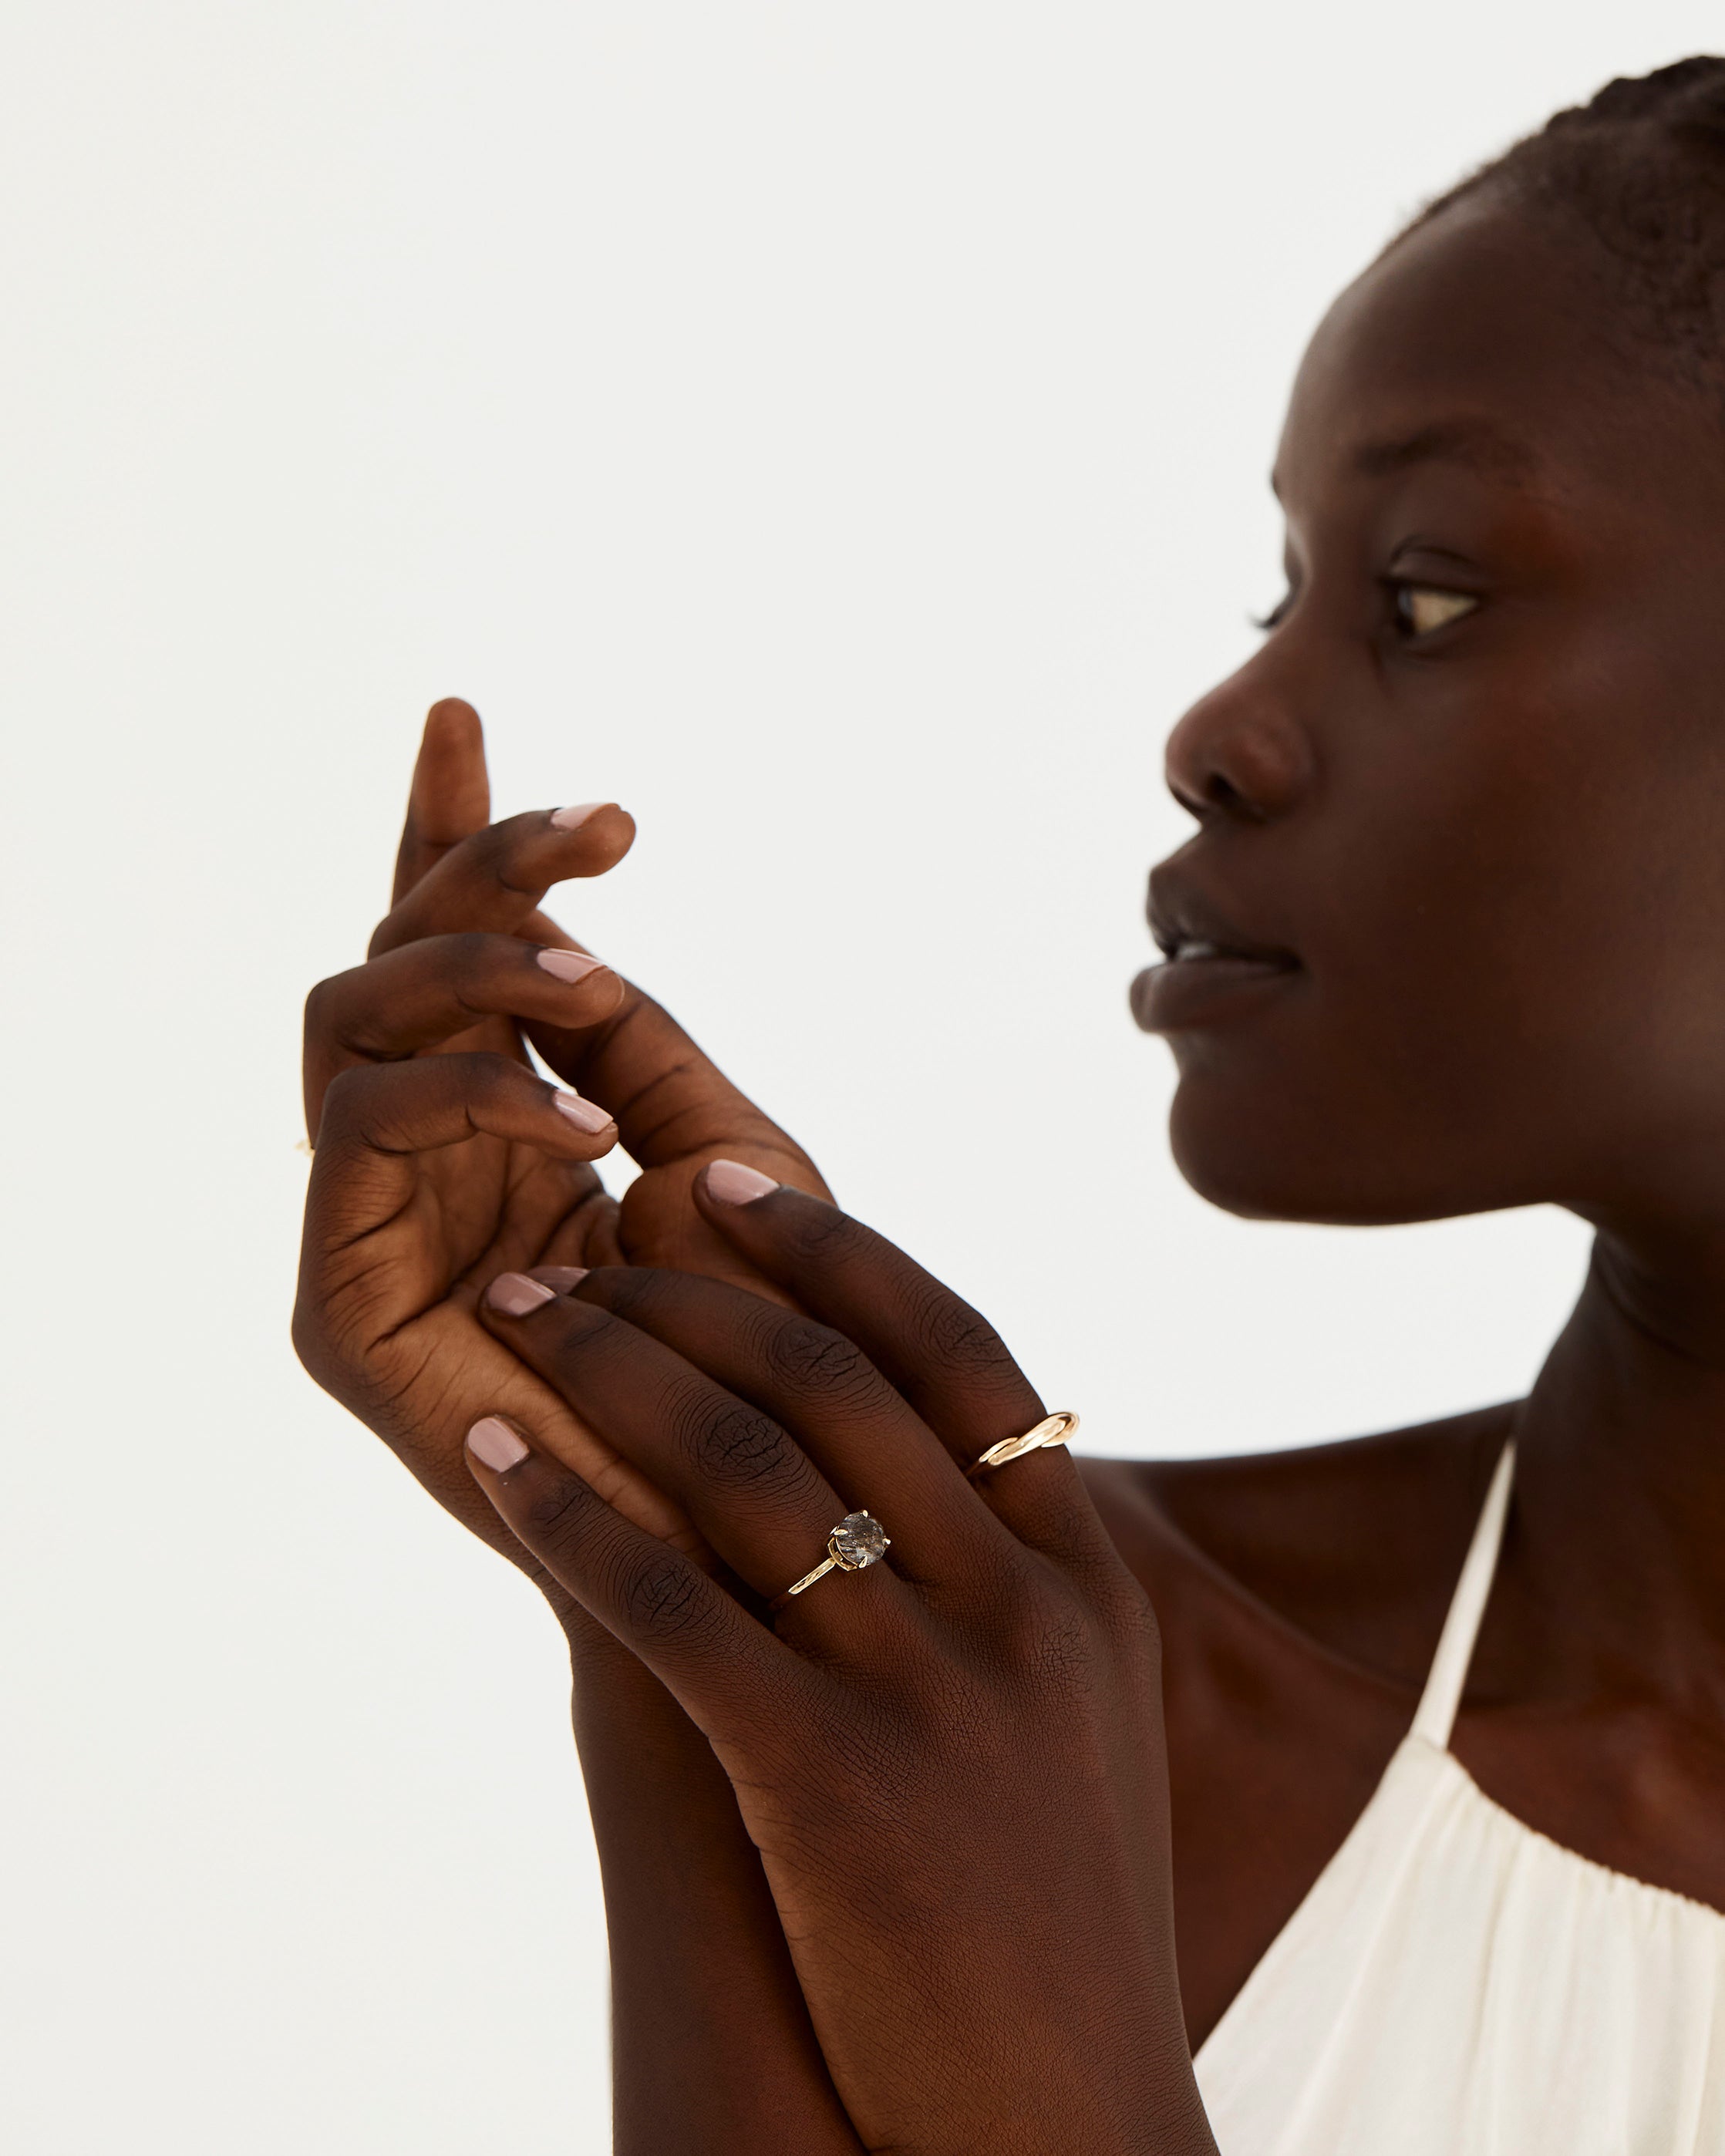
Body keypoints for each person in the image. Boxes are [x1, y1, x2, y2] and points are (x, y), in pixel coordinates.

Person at [293, 58, 1725, 2155]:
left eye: (1420, 594)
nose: (1218, 730)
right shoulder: (993, 1678)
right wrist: (676, 1571)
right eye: (1279, 593)